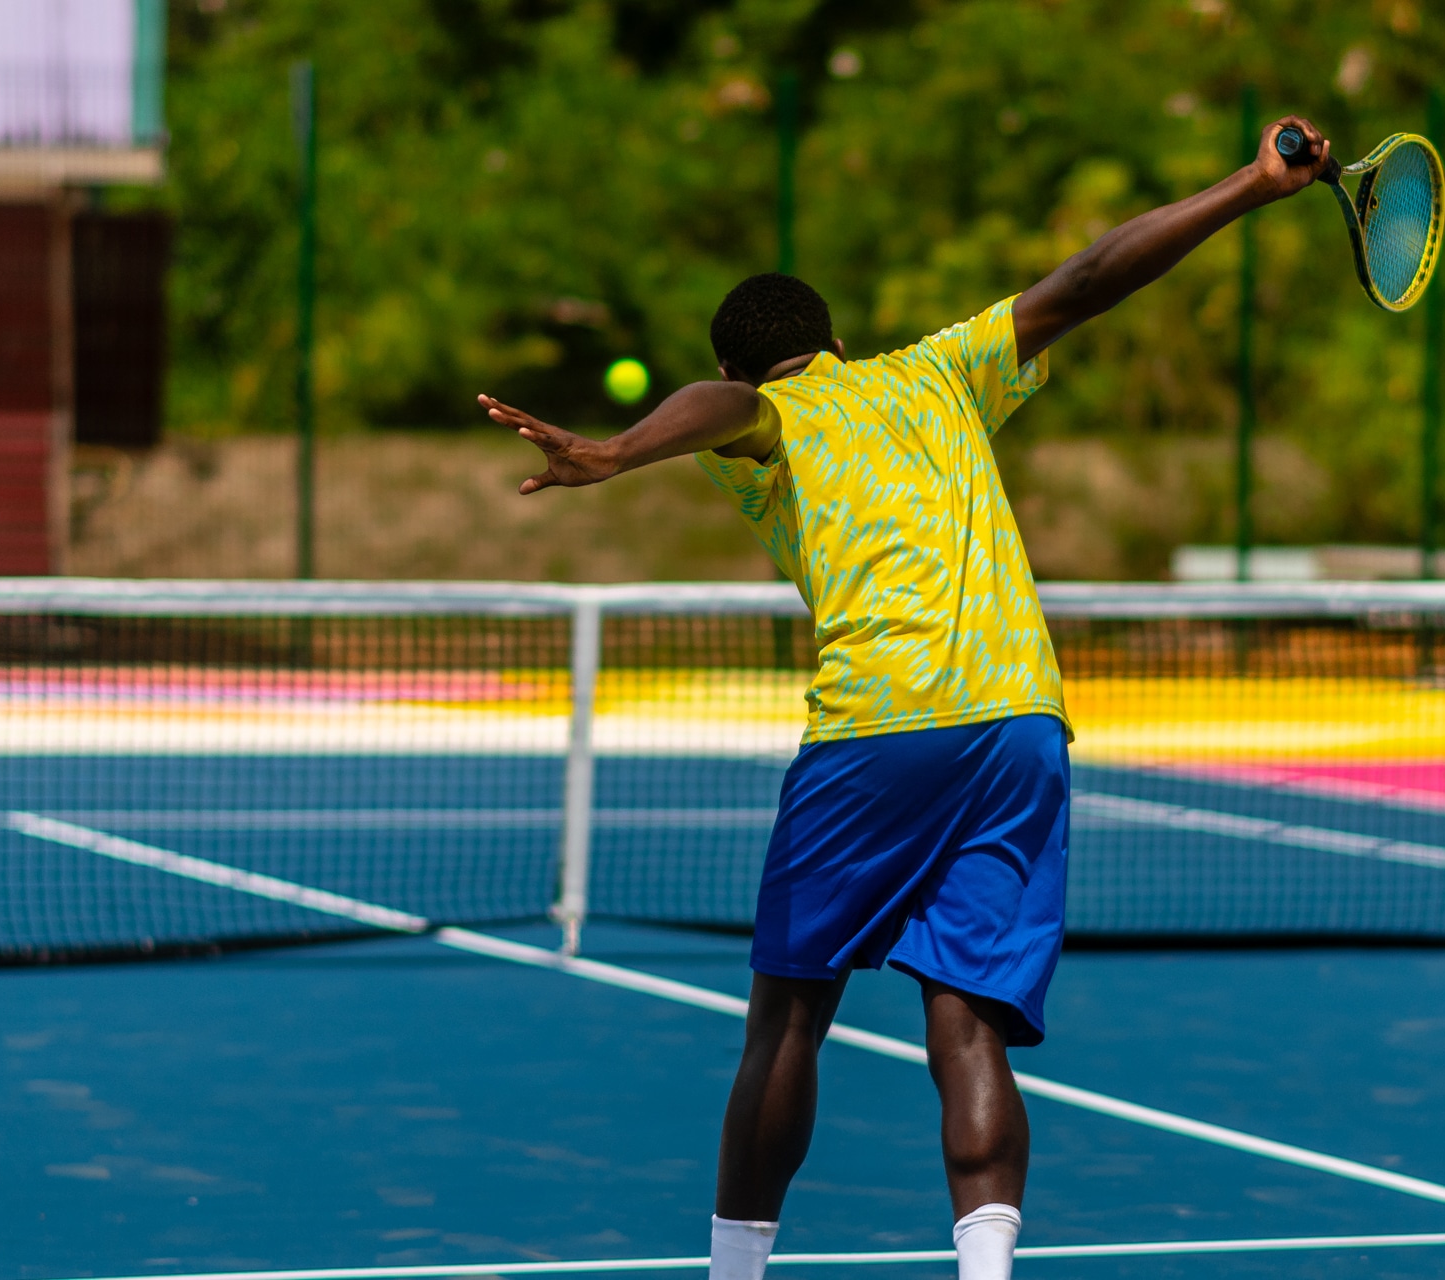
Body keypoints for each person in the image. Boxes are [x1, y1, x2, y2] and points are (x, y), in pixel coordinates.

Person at [479, 115, 1332, 1280]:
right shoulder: (939, 370)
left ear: (740, 367)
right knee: (968, 1023)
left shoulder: (768, 416)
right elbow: (1089, 277)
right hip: (1019, 719)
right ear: (836, 340)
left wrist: (622, 451)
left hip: (878, 727)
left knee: (789, 1016)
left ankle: (734, 1275)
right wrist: (1251, 182)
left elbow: (722, 411)